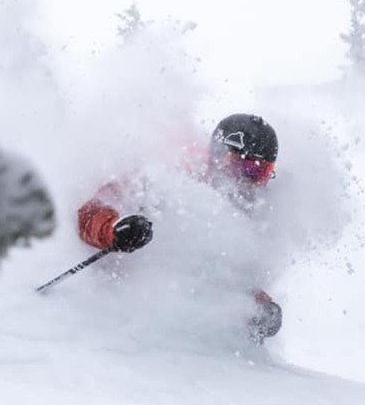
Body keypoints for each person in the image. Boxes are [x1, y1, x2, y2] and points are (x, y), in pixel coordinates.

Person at [77, 113, 283, 344]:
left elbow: (236, 279)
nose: (246, 181)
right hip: (125, 322)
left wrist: (260, 307)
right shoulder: (171, 178)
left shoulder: (252, 213)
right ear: (216, 157)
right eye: (240, 167)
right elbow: (89, 214)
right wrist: (115, 229)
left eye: (259, 172)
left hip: (192, 338)